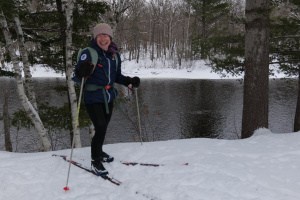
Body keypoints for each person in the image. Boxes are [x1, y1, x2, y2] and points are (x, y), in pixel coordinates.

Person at [72, 22, 140, 176]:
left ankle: (99, 152)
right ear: (96, 38)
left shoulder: (114, 55)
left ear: (110, 38)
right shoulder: (89, 53)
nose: (103, 39)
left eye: (106, 36)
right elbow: (75, 77)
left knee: (103, 128)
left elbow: (116, 77)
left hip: (108, 97)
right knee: (101, 126)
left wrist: (129, 81)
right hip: (93, 97)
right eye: (100, 36)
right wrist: (80, 72)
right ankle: (95, 160)